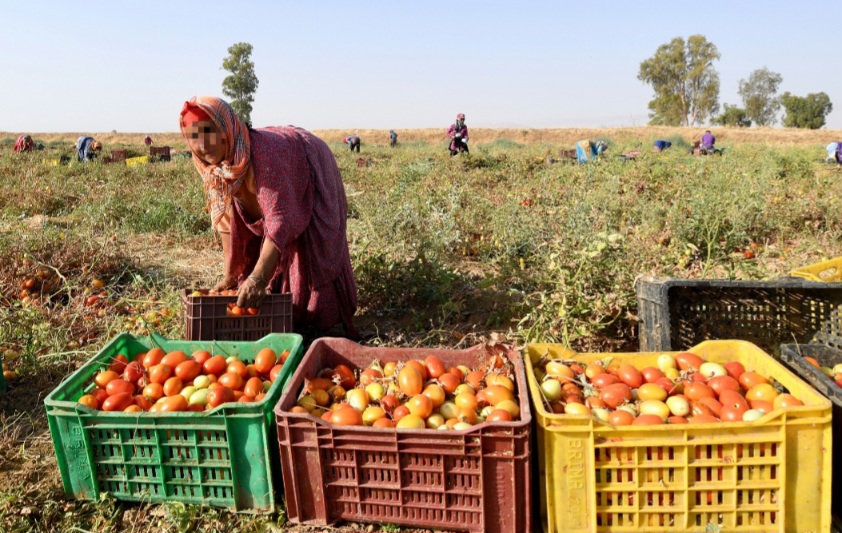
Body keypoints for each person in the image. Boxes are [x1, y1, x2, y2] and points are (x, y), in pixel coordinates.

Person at [179, 96, 358, 337]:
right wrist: (231, 275)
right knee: (259, 269)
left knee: (310, 248)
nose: (202, 145)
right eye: (193, 137)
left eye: (208, 132)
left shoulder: (264, 155)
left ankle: (321, 323)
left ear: (226, 129)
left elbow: (280, 219)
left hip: (309, 163)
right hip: (280, 185)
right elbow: (226, 221)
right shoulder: (210, 167)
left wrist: (259, 278)